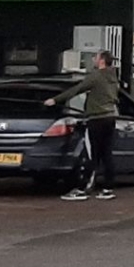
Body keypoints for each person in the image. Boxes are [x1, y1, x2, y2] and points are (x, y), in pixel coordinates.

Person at [46, 50, 120, 201]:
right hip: (110, 118)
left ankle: (82, 188)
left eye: (96, 57)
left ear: (101, 61)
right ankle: (107, 188)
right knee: (107, 154)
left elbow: (77, 89)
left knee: (91, 154)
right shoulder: (113, 77)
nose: (93, 59)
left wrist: (55, 100)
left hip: (96, 119)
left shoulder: (96, 76)